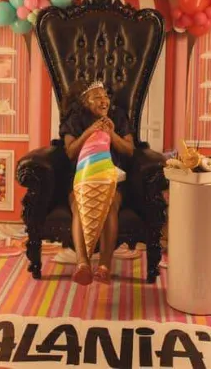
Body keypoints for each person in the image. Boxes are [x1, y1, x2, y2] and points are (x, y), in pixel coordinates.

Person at [59, 80, 134, 285]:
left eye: (105, 96)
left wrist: (111, 134)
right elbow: (70, 151)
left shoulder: (118, 116)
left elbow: (129, 150)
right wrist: (89, 132)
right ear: (85, 101)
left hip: (111, 178)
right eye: (97, 97)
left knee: (109, 206)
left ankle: (103, 267)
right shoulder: (75, 119)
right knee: (79, 207)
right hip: (81, 178)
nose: (104, 101)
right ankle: (83, 264)